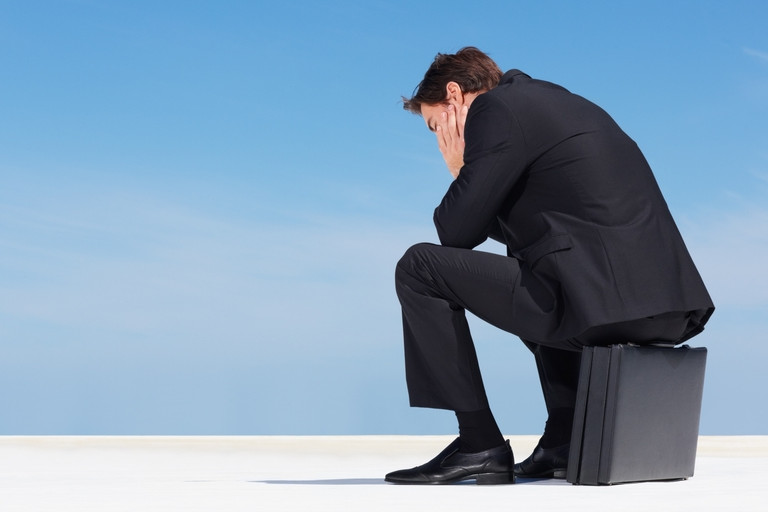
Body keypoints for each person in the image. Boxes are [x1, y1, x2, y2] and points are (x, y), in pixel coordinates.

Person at [385, 47, 714, 485]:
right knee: (530, 262)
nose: (439, 136)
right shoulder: (555, 103)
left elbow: (456, 233)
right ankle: (562, 440)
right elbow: (540, 228)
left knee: (419, 266)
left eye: (434, 125)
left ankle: (477, 442)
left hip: (601, 302)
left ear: (455, 95)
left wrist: (459, 168)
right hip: (663, 306)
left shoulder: (494, 108)